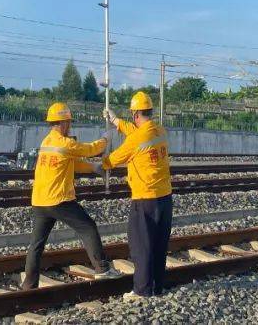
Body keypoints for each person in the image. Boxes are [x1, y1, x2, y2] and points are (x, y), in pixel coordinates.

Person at [22, 102, 119, 289]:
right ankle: (102, 269)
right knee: (88, 227)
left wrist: (93, 168)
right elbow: (89, 150)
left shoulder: (47, 142)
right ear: (64, 122)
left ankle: (29, 284)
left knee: (36, 244)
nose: (70, 126)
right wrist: (105, 140)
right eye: (69, 122)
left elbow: (70, 163)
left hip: (40, 201)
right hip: (59, 200)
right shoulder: (65, 143)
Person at [103, 91, 173, 298]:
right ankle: (157, 287)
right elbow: (135, 131)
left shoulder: (136, 140)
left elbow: (113, 159)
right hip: (165, 198)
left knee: (141, 246)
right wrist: (116, 121)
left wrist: (98, 162)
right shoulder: (159, 131)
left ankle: (142, 291)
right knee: (159, 245)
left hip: (145, 199)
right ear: (149, 112)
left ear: (135, 114)